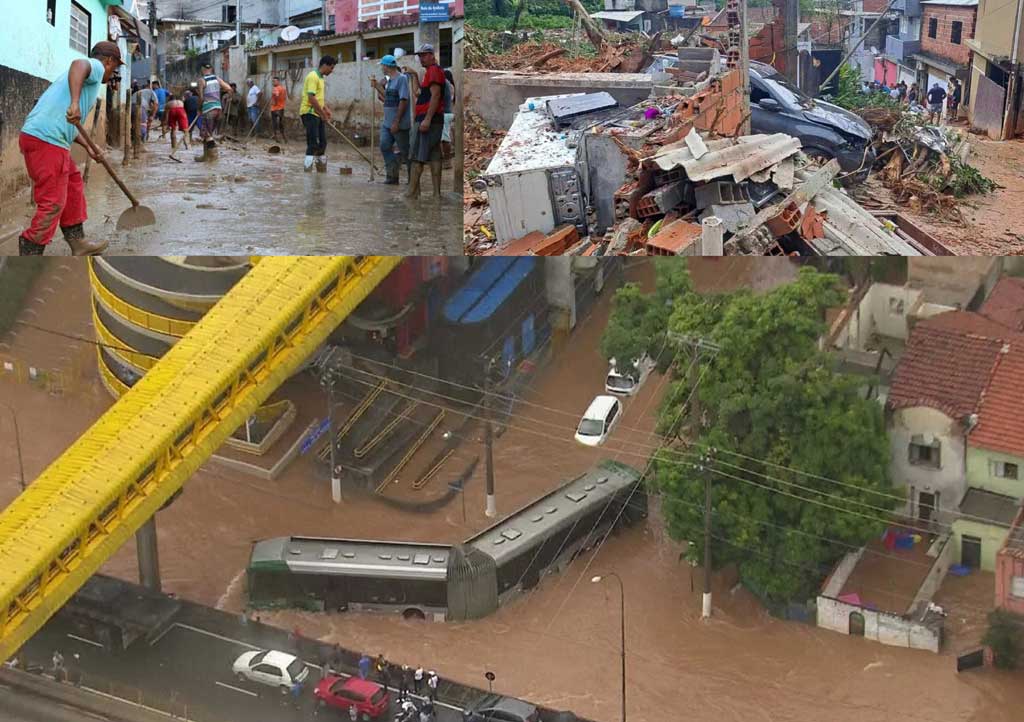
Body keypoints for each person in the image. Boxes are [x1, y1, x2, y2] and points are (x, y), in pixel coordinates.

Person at [17, 40, 122, 256]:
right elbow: (78, 64)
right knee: (53, 201)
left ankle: (78, 243)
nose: (112, 74)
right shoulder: (95, 66)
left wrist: (89, 147)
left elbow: (68, 124)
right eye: (115, 68)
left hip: (48, 138)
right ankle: (30, 252)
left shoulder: (83, 83)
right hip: (46, 140)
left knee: (73, 185)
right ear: (109, 61)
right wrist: (75, 102)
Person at [408, 44, 446, 198]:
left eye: (424, 55)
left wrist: (427, 120)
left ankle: (411, 194)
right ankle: (437, 194)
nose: (421, 58)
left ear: (432, 55)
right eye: (419, 56)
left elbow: (436, 96)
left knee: (417, 157)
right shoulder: (429, 73)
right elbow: (418, 93)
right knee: (435, 155)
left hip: (427, 120)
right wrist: (415, 76)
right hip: (433, 120)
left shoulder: (434, 71)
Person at [372, 55, 410, 184]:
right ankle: (392, 175)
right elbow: (387, 98)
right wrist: (377, 86)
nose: (381, 68)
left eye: (382, 65)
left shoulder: (402, 79)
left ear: (387, 66)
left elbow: (403, 100)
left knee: (406, 151)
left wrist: (397, 121)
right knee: (384, 145)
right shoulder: (390, 81)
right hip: (387, 123)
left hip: (398, 123)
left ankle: (412, 181)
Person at [301, 55, 337, 172]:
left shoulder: (321, 78)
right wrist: (322, 114)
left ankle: (321, 172)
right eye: (331, 68)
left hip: (318, 113)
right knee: (312, 143)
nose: (332, 71)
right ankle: (307, 172)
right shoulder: (313, 76)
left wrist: (325, 109)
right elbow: (311, 97)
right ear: (325, 65)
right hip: (310, 113)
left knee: (323, 143)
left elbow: (319, 98)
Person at [198, 62, 231, 144]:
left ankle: (211, 156)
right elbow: (229, 88)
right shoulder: (217, 78)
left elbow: (201, 98)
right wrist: (219, 91)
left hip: (208, 109)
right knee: (210, 133)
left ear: (202, 70)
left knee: (207, 134)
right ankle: (207, 155)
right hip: (218, 109)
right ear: (211, 69)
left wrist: (199, 109)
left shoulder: (201, 80)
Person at [441, 68, 455, 170]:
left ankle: (447, 160)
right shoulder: (451, 85)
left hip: (445, 113)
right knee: (446, 136)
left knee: (445, 138)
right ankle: (446, 158)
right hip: (449, 113)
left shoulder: (446, 84)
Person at [270, 76, 288, 142]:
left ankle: (276, 137)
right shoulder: (283, 89)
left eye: (274, 81)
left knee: (275, 123)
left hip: (275, 108)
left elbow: (276, 96)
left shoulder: (275, 88)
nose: (273, 82)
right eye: (273, 81)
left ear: (278, 81)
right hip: (281, 108)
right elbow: (285, 98)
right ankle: (284, 137)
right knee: (281, 123)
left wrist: (274, 102)